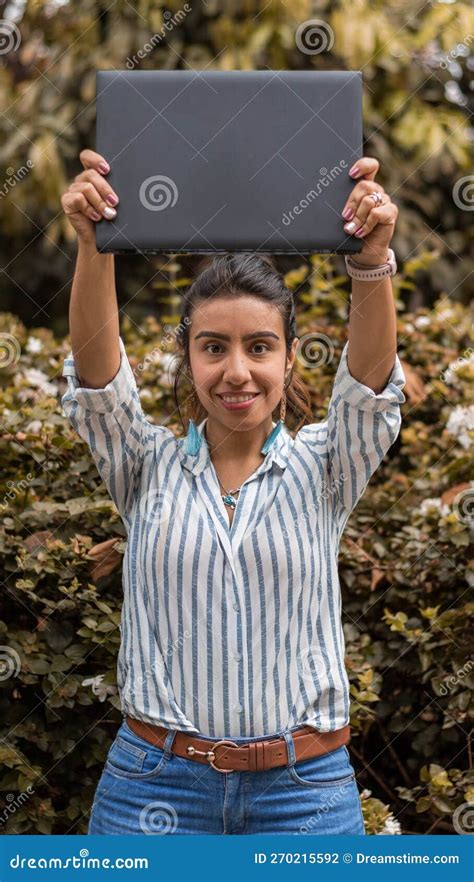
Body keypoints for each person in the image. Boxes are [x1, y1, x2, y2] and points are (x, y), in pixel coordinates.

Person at [60, 149, 406, 835]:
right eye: (214, 347)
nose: (237, 371)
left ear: (287, 355)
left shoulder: (326, 467)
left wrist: (370, 259)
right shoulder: (145, 463)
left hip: (304, 796)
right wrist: (94, 243)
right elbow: (99, 384)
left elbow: (368, 390)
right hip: (153, 788)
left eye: (260, 347)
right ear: (189, 358)